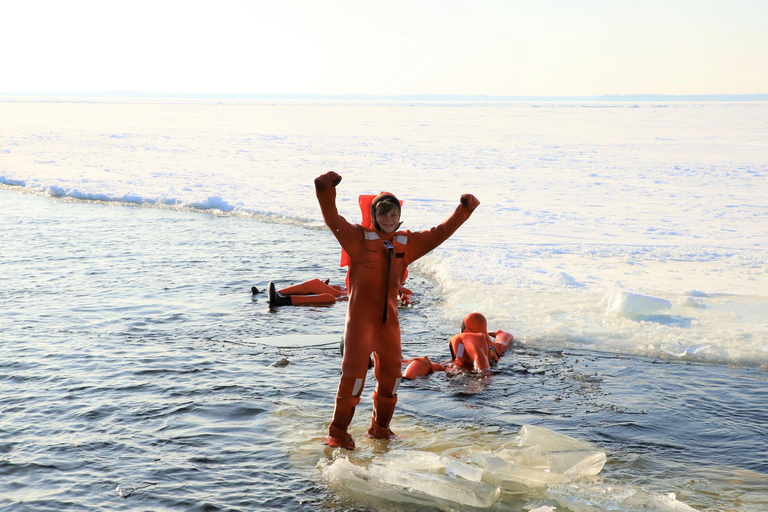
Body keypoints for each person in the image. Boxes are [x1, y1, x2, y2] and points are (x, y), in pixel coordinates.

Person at [315, 170, 479, 450]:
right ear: (374, 216)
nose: (389, 221)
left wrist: (463, 210)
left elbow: (439, 234)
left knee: (391, 379)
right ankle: (338, 432)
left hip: (388, 327)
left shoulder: (407, 244)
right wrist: (325, 189)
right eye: (383, 215)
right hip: (359, 328)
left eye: (394, 215)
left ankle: (380, 429)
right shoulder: (357, 239)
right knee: (353, 379)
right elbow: (332, 219)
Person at [402, 312, 514, 379]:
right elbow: (506, 337)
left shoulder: (467, 337)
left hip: (457, 372)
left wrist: (484, 375)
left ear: (465, 328)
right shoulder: (493, 347)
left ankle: (404, 380)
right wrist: (497, 333)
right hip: (476, 375)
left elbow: (478, 357)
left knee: (422, 362)